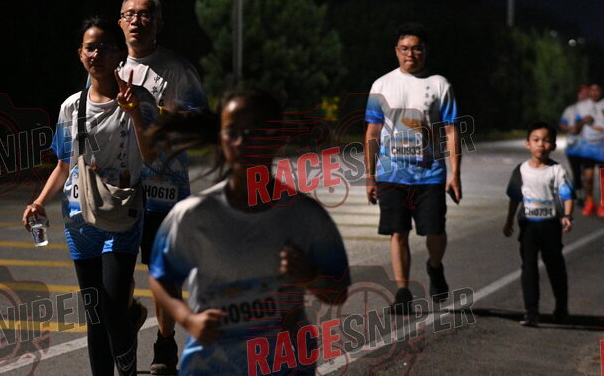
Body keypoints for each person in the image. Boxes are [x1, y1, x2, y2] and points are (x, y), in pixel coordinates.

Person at [148, 87, 350, 375]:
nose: (244, 141)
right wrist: (188, 319)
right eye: (233, 132)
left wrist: (311, 275)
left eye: (257, 131)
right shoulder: (193, 214)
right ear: (221, 139)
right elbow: (160, 277)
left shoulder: (305, 216)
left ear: (278, 137)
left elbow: (338, 293)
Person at [22, 17, 157, 376]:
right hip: (79, 219)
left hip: (122, 214)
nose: (96, 54)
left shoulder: (140, 100)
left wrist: (135, 115)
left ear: (119, 54)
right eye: (89, 47)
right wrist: (39, 202)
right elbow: (64, 166)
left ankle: (127, 361)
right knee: (95, 313)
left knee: (113, 308)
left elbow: (152, 155)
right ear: (80, 54)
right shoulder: (71, 107)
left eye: (104, 47)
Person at [116, 0, 207, 375]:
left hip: (164, 192)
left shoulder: (177, 69)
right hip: (119, 192)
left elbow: (200, 124)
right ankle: (130, 313)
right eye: (129, 14)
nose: (136, 21)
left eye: (145, 14)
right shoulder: (110, 68)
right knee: (115, 274)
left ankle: (165, 343)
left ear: (158, 22)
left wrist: (167, 116)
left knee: (161, 274)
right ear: (120, 22)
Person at [364, 23, 461, 313]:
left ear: (425, 51)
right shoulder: (381, 85)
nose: (410, 54)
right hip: (392, 173)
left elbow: (451, 130)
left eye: (416, 48)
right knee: (398, 232)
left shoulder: (440, 84)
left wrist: (455, 174)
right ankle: (403, 292)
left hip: (430, 173)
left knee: (435, 231)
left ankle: (435, 266)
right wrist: (370, 176)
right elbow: (372, 133)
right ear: (396, 51)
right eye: (404, 48)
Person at [503, 121, 574, 327]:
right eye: (536, 140)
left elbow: (567, 195)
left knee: (555, 266)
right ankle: (531, 312)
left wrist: (567, 216)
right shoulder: (521, 170)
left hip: (550, 226)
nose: (541, 144)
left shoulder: (557, 170)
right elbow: (514, 198)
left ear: (553, 145)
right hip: (528, 226)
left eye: (546, 141)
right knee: (529, 267)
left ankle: (561, 308)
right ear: (528, 144)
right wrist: (509, 221)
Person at [573, 82, 604, 217]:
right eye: (592, 90)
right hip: (588, 147)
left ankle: (603, 204)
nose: (595, 92)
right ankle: (590, 201)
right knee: (588, 177)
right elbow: (575, 129)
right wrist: (583, 121)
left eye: (597, 90)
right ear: (589, 92)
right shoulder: (581, 106)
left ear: (601, 91)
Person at [558, 84, 589, 205]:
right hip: (573, 147)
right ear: (578, 94)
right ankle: (580, 197)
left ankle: (589, 197)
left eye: (587, 93)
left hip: (590, 148)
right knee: (576, 174)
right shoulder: (570, 109)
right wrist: (569, 128)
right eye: (582, 93)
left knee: (587, 174)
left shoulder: (594, 109)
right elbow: (562, 123)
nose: (584, 95)